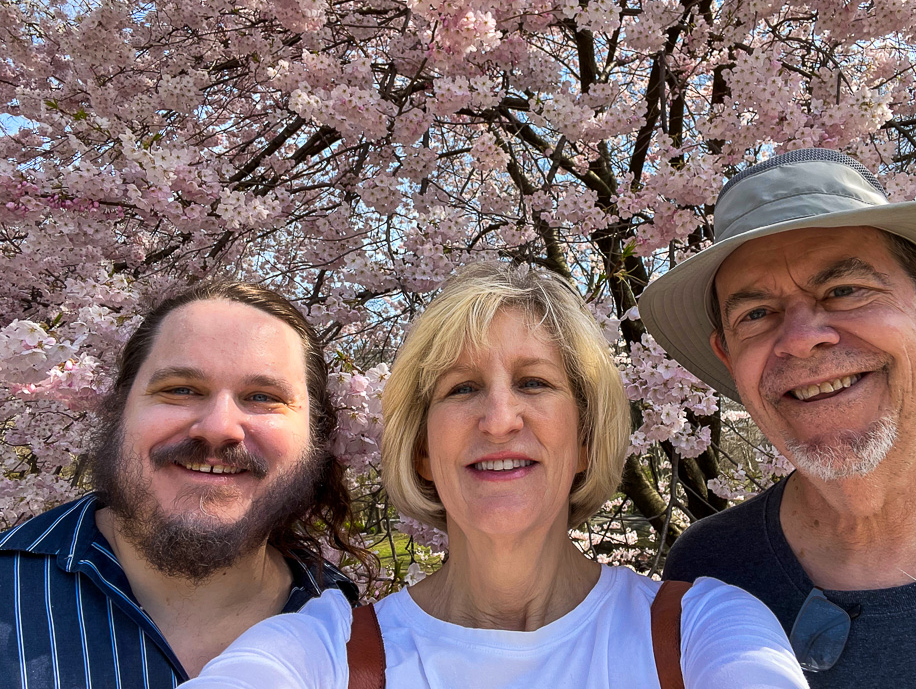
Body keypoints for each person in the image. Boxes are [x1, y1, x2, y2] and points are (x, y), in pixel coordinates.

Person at [185, 262, 808, 688]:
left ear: (586, 440)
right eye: (462, 389)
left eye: (535, 383)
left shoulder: (702, 628)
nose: (500, 419)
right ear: (423, 450)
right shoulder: (326, 650)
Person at [639, 148, 916, 687]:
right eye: (756, 315)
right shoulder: (707, 571)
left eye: (845, 290)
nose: (800, 341)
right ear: (729, 360)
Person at [0, 281, 367, 688]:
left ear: (316, 435)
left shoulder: (363, 639)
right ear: (118, 409)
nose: (219, 428)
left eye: (263, 397)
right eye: (180, 390)